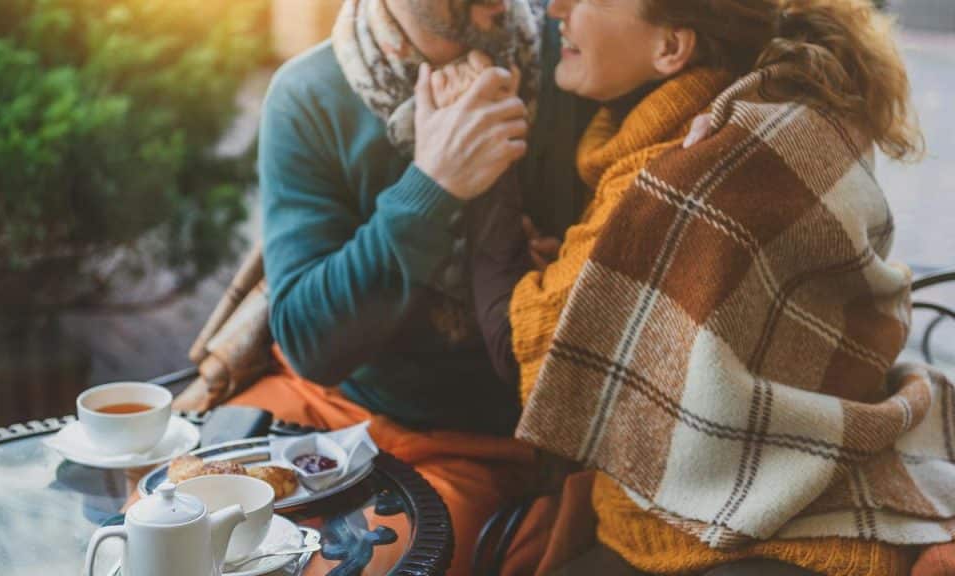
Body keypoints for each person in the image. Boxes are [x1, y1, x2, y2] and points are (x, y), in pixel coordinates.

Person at [464, 0, 955, 574]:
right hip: (836, 434)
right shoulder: (775, 101)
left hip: (737, 521)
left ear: (671, 47)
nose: (556, 10)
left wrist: (479, 171)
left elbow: (526, 352)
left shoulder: (681, 173)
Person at [180, 1, 598, 574]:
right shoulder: (308, 93)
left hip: (476, 446)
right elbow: (311, 344)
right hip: (323, 408)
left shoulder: (580, 56)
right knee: (162, 529)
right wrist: (434, 186)